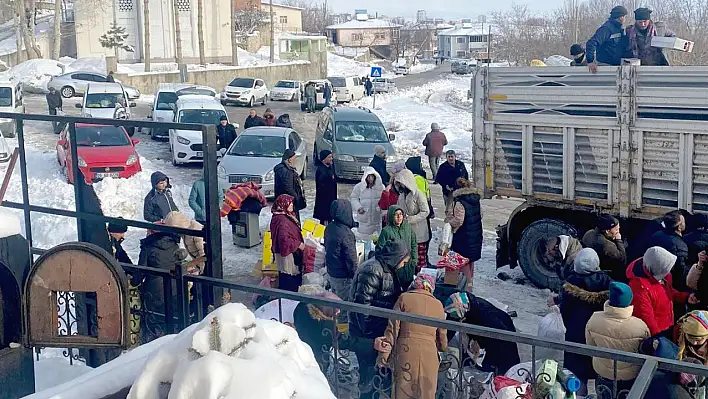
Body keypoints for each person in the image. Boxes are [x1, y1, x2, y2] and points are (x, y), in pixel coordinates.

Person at [349, 239, 410, 396]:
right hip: (367, 333)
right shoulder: (373, 269)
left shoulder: (386, 268)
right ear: (397, 257)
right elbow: (362, 306)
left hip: (376, 329)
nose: (403, 265)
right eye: (403, 262)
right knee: (368, 376)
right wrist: (370, 337)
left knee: (378, 375)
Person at [378, 274, 447, 398]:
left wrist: (383, 357)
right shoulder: (438, 305)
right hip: (429, 354)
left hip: (406, 350)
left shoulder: (404, 298)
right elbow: (442, 340)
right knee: (426, 392)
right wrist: (441, 347)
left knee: (403, 390)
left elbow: (393, 329)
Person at [585, 282, 651, 397]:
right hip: (630, 377)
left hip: (603, 374)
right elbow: (645, 351)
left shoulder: (594, 319)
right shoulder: (640, 326)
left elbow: (590, 346)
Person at [558, 248, 613, 383]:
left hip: (575, 334)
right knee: (601, 374)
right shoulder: (607, 283)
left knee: (576, 376)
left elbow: (564, 310)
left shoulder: (569, 284)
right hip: (600, 334)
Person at [445, 292, 520, 375]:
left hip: (502, 338)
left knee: (502, 366)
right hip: (485, 336)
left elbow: (495, 342)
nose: (453, 316)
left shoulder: (486, 316)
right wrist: (442, 345)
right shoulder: (460, 306)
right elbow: (451, 325)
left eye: (455, 315)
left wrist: (486, 362)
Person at [627, 246, 697, 336]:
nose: (669, 271)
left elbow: (668, 292)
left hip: (667, 327)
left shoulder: (660, 273)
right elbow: (646, 318)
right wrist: (659, 339)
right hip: (658, 334)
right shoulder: (640, 287)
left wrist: (685, 297)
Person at [444, 177, 482, 290]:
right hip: (475, 235)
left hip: (464, 237)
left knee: (463, 262)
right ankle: (470, 285)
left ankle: (466, 288)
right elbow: (481, 215)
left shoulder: (460, 202)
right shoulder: (475, 199)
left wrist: (449, 223)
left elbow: (459, 220)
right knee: (470, 262)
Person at [394, 169, 430, 272]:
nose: (400, 186)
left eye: (401, 183)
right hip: (405, 232)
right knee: (407, 258)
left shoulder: (418, 194)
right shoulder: (401, 195)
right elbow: (398, 207)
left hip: (419, 232)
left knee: (419, 260)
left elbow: (425, 211)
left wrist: (411, 219)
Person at [270, 194, 305, 292]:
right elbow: (284, 239)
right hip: (288, 256)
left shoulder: (280, 216)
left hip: (283, 254)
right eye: (290, 203)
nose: (292, 205)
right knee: (289, 277)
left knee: (284, 275)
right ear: (283, 204)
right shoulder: (282, 221)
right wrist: (298, 244)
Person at [378, 205, 417, 292]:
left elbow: (414, 243)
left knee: (409, 289)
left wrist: (414, 260)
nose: (399, 217)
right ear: (391, 216)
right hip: (395, 269)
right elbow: (380, 251)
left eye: (401, 214)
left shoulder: (407, 227)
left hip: (409, 266)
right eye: (396, 215)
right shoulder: (386, 231)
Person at [324, 199, 357, 299]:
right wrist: (355, 275)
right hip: (343, 276)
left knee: (335, 301)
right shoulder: (346, 233)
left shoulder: (329, 227)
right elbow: (351, 259)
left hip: (332, 271)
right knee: (343, 305)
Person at [650, 210, 689, 291]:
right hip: (669, 284)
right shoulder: (680, 246)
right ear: (679, 227)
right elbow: (680, 271)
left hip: (652, 277)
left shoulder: (656, 235)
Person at [582, 214, 627, 282]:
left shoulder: (589, 233)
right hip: (603, 273)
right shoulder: (607, 245)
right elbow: (622, 259)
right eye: (616, 229)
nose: (618, 232)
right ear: (607, 231)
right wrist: (618, 241)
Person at [586, 6, 629, 73]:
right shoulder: (606, 29)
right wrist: (590, 61)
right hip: (605, 67)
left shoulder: (618, 29)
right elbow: (591, 43)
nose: (625, 19)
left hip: (616, 66)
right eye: (624, 17)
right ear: (621, 17)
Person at [350, 167, 384, 235]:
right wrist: (358, 207)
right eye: (368, 176)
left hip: (377, 218)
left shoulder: (381, 187)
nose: (370, 178)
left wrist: (382, 211)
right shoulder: (359, 187)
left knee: (376, 238)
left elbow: (384, 200)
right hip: (364, 217)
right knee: (364, 237)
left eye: (372, 176)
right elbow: (353, 198)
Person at [274, 149, 306, 221]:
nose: (295, 160)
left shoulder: (281, 169)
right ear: (289, 159)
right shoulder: (286, 171)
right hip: (289, 202)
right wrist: (296, 197)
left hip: (283, 201)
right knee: (292, 220)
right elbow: (288, 187)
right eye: (294, 158)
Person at [313, 150, 337, 224]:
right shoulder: (321, 171)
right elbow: (322, 189)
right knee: (325, 224)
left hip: (331, 202)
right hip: (325, 205)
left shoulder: (330, 168)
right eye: (329, 157)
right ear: (324, 159)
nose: (331, 159)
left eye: (331, 157)